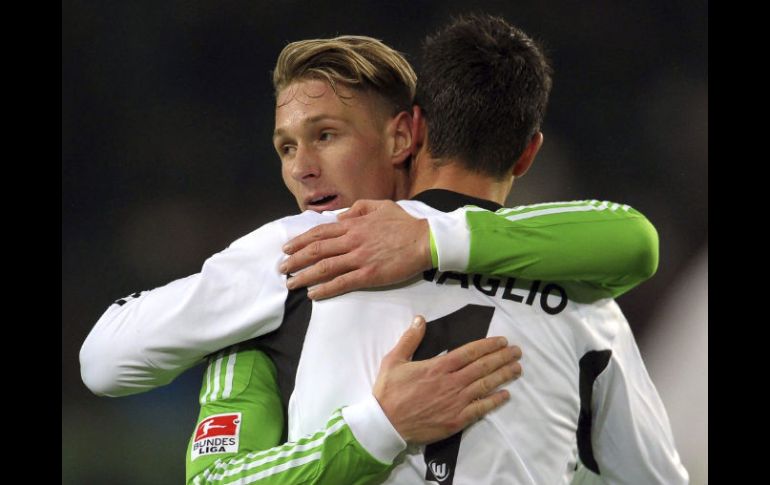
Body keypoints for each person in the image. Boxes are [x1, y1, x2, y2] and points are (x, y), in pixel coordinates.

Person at [79, 21, 672, 485]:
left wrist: (376, 427)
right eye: (286, 147)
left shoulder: (306, 251)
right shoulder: (585, 296)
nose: (302, 169)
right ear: (528, 153)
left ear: (407, 134)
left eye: (326, 135)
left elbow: (104, 362)